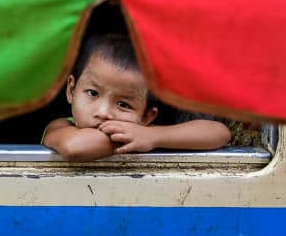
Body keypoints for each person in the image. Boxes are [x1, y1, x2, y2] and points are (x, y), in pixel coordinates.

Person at [42, 33, 231, 161]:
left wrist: (153, 136)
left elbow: (220, 133)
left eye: (123, 104)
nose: (104, 112)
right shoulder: (61, 126)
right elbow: (75, 146)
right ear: (71, 90)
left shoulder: (143, 133)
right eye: (93, 93)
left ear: (148, 116)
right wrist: (134, 139)